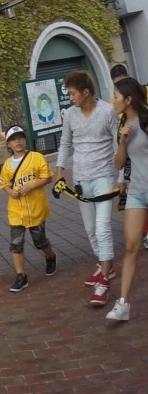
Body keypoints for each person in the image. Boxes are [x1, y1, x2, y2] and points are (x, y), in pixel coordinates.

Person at [53, 69, 120, 307]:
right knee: (91, 229)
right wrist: (60, 169)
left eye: (72, 94)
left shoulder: (108, 112)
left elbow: (117, 143)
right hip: (81, 179)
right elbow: (65, 143)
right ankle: (106, 265)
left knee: (102, 228)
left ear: (86, 92)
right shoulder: (70, 115)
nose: (70, 98)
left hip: (104, 177)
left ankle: (104, 281)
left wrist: (121, 176)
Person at [107, 76, 148, 321]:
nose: (113, 101)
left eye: (116, 96)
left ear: (128, 99)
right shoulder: (123, 125)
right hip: (137, 193)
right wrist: (122, 141)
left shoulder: (146, 121)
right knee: (131, 245)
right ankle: (122, 304)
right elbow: (119, 163)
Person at [0, 125, 56, 293]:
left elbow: (47, 177)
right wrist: (10, 191)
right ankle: (21, 276)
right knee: (16, 244)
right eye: (14, 139)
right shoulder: (7, 165)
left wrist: (31, 186)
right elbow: (4, 183)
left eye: (21, 137)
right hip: (16, 211)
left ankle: (50, 256)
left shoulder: (36, 157)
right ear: (9, 144)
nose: (18, 141)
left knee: (40, 241)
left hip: (35, 208)